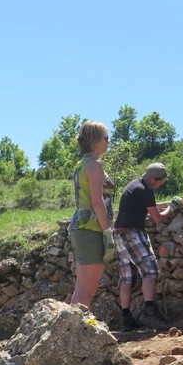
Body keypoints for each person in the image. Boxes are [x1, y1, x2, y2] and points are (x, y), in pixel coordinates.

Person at [113, 162, 174, 330]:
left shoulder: (134, 185)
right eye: (161, 181)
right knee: (150, 270)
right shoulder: (145, 191)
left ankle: (126, 318)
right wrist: (171, 208)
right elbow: (157, 218)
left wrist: (165, 203)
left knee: (126, 277)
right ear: (154, 180)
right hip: (133, 234)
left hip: (118, 234)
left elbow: (147, 206)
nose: (161, 184)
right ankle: (149, 311)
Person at [68, 120, 114, 309]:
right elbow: (97, 201)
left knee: (82, 288)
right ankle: (80, 332)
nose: (108, 142)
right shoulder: (95, 165)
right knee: (88, 289)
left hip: (82, 227)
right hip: (91, 229)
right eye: (106, 138)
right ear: (95, 140)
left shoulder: (82, 164)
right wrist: (107, 232)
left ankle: (76, 330)